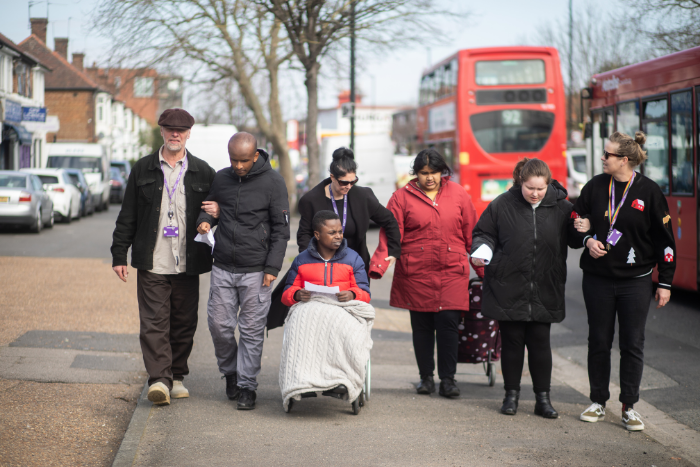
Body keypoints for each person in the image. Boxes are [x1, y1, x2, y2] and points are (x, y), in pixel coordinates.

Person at [111, 108, 217, 406]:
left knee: (184, 322)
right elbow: (127, 215)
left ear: (188, 134)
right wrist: (120, 253)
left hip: (188, 261)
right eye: (169, 128)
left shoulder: (203, 171)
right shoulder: (143, 168)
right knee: (154, 322)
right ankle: (159, 379)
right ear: (161, 131)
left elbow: (213, 211)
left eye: (180, 130)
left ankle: (177, 376)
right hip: (153, 259)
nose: (175, 134)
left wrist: (215, 216)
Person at [470, 158, 588, 418]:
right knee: (512, 344)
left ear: (548, 185)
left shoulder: (562, 207)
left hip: (545, 284)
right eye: (529, 188)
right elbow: (483, 233)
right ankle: (510, 396)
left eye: (540, 189)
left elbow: (575, 239)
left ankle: (542, 400)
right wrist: (482, 249)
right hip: (508, 283)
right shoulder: (501, 204)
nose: (534, 194)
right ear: (520, 182)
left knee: (540, 343)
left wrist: (583, 229)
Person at [574, 131, 675, 431]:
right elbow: (574, 224)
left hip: (636, 281)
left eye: (608, 154)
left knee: (632, 344)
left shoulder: (650, 192)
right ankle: (597, 402)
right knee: (599, 341)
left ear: (625, 160)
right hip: (598, 280)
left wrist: (665, 282)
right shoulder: (594, 187)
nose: (602, 158)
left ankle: (629, 406)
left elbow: (665, 241)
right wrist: (587, 239)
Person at [369, 148, 483, 398]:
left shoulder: (459, 194)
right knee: (421, 328)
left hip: (452, 271)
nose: (429, 177)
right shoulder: (400, 198)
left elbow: (472, 234)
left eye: (434, 172)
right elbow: (390, 234)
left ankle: (448, 380)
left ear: (443, 171)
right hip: (415, 272)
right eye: (424, 173)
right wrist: (379, 265)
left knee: (449, 325)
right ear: (416, 173)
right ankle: (425, 378)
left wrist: (484, 269)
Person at [196, 132, 290, 410]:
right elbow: (210, 208)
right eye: (233, 160)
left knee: (250, 331)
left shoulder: (273, 182)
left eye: (244, 161)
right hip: (223, 265)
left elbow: (281, 230)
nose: (238, 166)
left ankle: (247, 386)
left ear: (256, 155)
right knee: (219, 326)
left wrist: (273, 267)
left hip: (257, 270)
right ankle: (231, 373)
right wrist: (204, 222)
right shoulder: (222, 177)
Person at [266, 147, 401, 329]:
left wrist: (393, 251)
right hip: (321, 268)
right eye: (343, 182)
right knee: (321, 322)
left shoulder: (362, 196)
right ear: (332, 177)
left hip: (354, 269)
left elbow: (390, 221)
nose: (348, 186)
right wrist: (310, 263)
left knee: (353, 323)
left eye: (353, 182)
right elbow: (304, 235)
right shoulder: (311, 200)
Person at [279, 210, 372, 410]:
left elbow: (365, 293)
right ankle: (303, 381)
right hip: (310, 308)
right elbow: (286, 294)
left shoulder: (353, 259)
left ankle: (340, 380)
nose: (338, 236)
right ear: (317, 235)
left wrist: (352, 294)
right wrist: (297, 295)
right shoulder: (302, 260)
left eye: (340, 231)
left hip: (343, 310)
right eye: (332, 232)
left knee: (343, 329)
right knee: (298, 324)